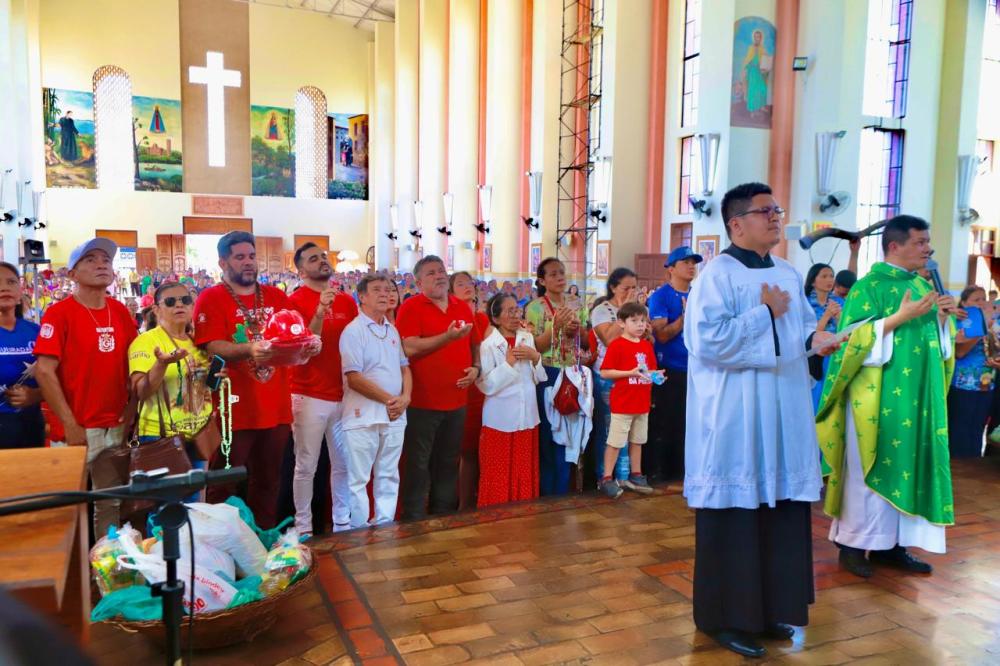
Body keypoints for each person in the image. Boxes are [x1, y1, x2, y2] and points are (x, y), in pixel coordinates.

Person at [684, 183, 837, 658]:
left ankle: (769, 609)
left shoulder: (788, 272)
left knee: (780, 511)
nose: (775, 217)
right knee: (737, 517)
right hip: (736, 415)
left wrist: (818, 337)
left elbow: (797, 331)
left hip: (783, 411)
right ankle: (724, 618)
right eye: (764, 211)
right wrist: (762, 313)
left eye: (777, 210)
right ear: (735, 223)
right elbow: (707, 342)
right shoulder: (715, 275)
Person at [817, 214, 956, 580]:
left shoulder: (921, 285)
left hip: (915, 399)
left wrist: (942, 319)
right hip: (875, 400)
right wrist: (898, 317)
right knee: (868, 472)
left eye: (928, 242)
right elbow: (850, 342)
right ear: (894, 246)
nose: (928, 249)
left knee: (906, 469)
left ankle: (893, 545)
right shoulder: (868, 287)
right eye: (921, 242)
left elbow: (934, 347)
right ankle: (852, 545)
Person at [193, 231, 311, 529]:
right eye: (240, 257)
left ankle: (264, 542)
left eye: (251, 256)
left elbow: (297, 333)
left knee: (269, 481)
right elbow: (211, 345)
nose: (248, 263)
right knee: (224, 483)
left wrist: (309, 344)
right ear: (223, 262)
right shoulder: (211, 298)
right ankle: (220, 542)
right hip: (234, 410)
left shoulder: (276, 296)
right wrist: (248, 349)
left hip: (276, 409)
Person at [34, 239, 138, 536]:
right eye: (90, 259)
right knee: (68, 507)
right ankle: (70, 574)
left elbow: (135, 364)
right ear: (72, 273)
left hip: (114, 427)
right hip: (75, 429)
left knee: (110, 504)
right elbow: (44, 370)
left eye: (105, 259)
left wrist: (130, 410)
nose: (101, 264)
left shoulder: (119, 311)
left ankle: (105, 568)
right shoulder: (59, 313)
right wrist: (69, 422)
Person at [396, 256, 482, 520]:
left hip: (457, 399)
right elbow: (408, 347)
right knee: (418, 464)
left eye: (442, 271)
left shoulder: (461, 307)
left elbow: (474, 343)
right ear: (419, 281)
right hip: (423, 402)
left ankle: (443, 514)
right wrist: (447, 337)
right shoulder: (412, 307)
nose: (439, 276)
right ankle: (412, 517)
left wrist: (476, 367)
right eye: (431, 273)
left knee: (449, 460)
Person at [288, 243, 358, 535]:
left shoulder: (347, 301)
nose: (322, 261)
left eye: (323, 256)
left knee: (343, 464)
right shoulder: (294, 302)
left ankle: (341, 520)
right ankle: (303, 526)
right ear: (302, 270)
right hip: (309, 394)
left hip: (343, 394)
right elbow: (307, 346)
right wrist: (319, 311)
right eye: (313, 259)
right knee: (306, 466)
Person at [127, 281, 214, 501]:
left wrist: (215, 377)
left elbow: (202, 387)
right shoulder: (146, 342)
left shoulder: (198, 341)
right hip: (161, 438)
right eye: (170, 301)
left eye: (185, 300)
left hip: (198, 436)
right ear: (156, 309)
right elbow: (141, 392)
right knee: (165, 510)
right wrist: (161, 364)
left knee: (195, 507)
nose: (179, 305)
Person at [339, 274, 411, 528]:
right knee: (358, 480)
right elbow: (354, 377)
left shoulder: (391, 329)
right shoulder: (353, 331)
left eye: (388, 289)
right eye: (377, 290)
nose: (384, 294)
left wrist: (406, 398)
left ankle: (384, 526)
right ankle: (358, 531)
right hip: (362, 416)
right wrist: (391, 400)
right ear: (362, 296)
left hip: (394, 414)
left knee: (389, 475)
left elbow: (405, 368)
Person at [525, 258, 589, 495]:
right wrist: (556, 327)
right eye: (553, 274)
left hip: (571, 371)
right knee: (549, 432)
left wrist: (576, 330)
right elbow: (535, 348)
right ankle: (546, 487)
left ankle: (564, 487)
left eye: (561, 272)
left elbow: (584, 338)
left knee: (569, 433)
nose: (560, 277)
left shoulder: (576, 303)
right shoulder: (535, 308)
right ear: (542, 281)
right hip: (548, 372)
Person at [476, 293, 545, 507]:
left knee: (523, 469)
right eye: (509, 311)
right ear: (496, 318)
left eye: (517, 310)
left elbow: (538, 378)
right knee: (498, 471)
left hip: (527, 416)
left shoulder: (527, 338)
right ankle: (495, 511)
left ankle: (523, 509)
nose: (516, 315)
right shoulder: (488, 345)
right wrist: (508, 363)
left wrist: (536, 359)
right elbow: (486, 385)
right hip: (500, 419)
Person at [647, 246, 702, 482]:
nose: (691, 266)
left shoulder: (700, 294)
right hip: (669, 368)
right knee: (667, 421)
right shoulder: (661, 297)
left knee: (691, 422)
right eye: (685, 262)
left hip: (697, 367)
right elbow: (661, 335)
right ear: (671, 268)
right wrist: (685, 317)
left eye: (693, 262)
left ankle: (684, 469)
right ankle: (663, 471)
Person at [598, 302, 658, 498]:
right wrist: (629, 373)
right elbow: (605, 372)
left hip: (641, 403)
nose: (640, 325)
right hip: (623, 404)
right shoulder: (617, 345)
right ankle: (606, 478)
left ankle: (636, 474)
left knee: (638, 440)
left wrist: (657, 376)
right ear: (622, 323)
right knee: (615, 441)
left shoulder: (647, 346)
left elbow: (649, 371)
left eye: (643, 321)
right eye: (634, 321)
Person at [589, 268, 637, 488]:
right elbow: (609, 340)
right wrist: (623, 314)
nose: (630, 292)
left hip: (632, 375)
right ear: (613, 287)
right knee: (610, 429)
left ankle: (624, 476)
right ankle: (604, 477)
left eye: (634, 288)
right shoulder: (602, 310)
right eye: (626, 288)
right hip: (608, 376)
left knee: (629, 429)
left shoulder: (637, 310)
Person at [450, 271, 491, 510]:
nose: (467, 287)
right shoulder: (451, 319)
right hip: (458, 385)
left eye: (470, 283)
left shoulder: (482, 319)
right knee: (462, 451)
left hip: (479, 389)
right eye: (461, 284)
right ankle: (461, 502)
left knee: (475, 450)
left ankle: (474, 498)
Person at [948, 286, 999, 458]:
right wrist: (982, 327)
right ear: (964, 303)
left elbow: (991, 350)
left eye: (983, 299)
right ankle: (958, 466)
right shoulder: (958, 321)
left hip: (986, 384)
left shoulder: (988, 321)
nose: (981, 303)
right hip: (964, 384)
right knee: (960, 427)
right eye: (976, 299)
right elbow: (960, 352)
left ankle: (974, 463)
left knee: (977, 426)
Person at [0, 262, 44, 448]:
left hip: (30, 424)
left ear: (20, 293)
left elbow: (59, 378)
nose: (4, 287)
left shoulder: (37, 332)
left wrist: (36, 394)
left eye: (11, 282)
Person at [805, 263, 846, 410]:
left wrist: (838, 316)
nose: (830, 280)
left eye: (831, 276)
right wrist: (827, 315)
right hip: (814, 356)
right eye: (824, 276)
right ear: (812, 281)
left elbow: (847, 330)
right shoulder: (805, 302)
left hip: (835, 353)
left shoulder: (840, 302)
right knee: (814, 396)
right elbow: (810, 335)